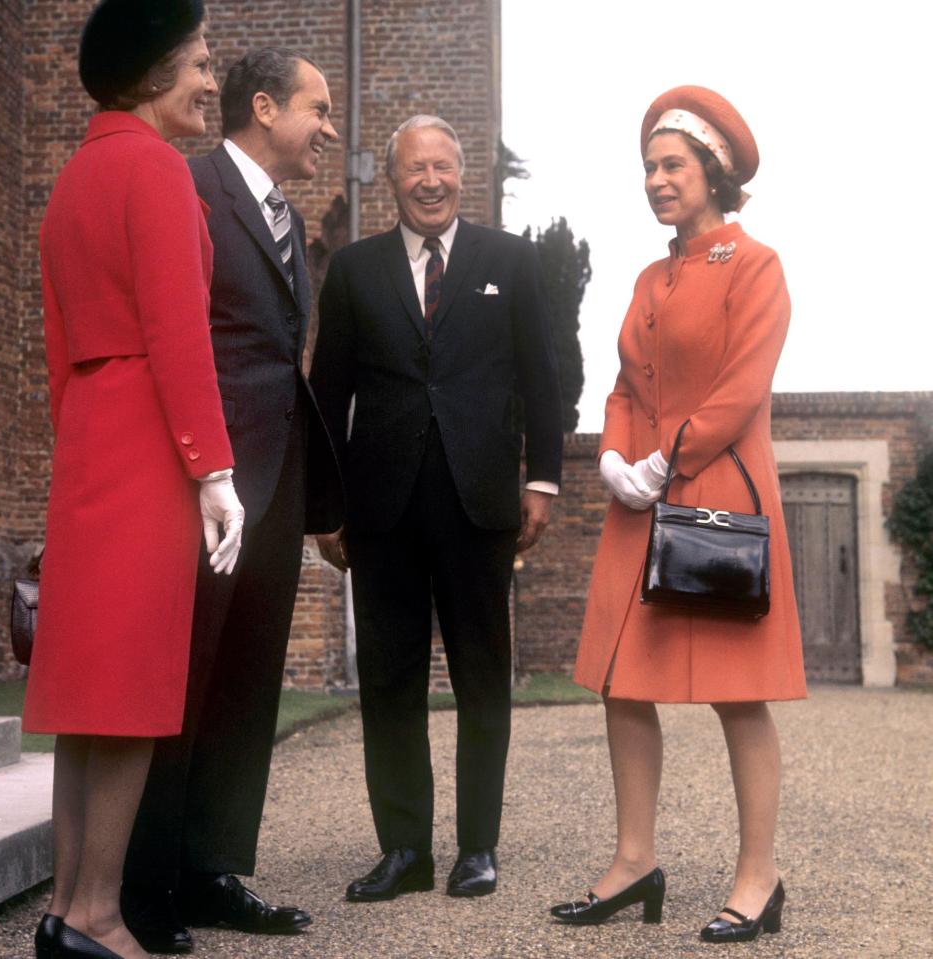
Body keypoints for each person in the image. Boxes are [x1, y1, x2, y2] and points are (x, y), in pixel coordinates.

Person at [549, 86, 806, 944]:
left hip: (717, 496)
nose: (656, 180)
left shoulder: (757, 264)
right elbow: (624, 385)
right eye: (648, 168)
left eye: (672, 166)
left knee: (737, 694)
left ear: (713, 173)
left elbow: (741, 386)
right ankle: (631, 861)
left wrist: (670, 455)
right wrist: (616, 456)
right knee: (622, 683)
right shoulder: (647, 276)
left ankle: (758, 877)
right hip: (641, 501)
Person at [22, 3, 244, 958]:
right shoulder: (155, 170)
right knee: (130, 692)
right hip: (153, 440)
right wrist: (213, 467)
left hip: (90, 444)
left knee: (87, 696)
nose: (210, 78)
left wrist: (87, 448)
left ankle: (67, 907)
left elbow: (58, 344)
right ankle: (100, 914)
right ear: (154, 73)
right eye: (198, 62)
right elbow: (178, 333)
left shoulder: (78, 175)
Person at [120, 48, 343, 953]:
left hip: (278, 475)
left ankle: (213, 868)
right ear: (265, 107)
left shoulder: (285, 216)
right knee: (189, 669)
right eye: (316, 109)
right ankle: (148, 884)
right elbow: (176, 334)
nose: (327, 128)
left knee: (249, 672)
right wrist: (204, 468)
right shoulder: (190, 188)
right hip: (210, 479)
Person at [310, 114, 563, 902]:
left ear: (462, 175)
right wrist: (324, 507)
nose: (430, 181)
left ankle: (477, 847)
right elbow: (327, 394)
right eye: (414, 168)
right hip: (379, 509)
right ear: (391, 179)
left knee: (483, 678)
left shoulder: (511, 262)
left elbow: (542, 380)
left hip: (478, 500)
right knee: (388, 681)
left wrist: (543, 481)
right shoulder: (354, 270)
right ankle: (404, 850)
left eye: (443, 168)